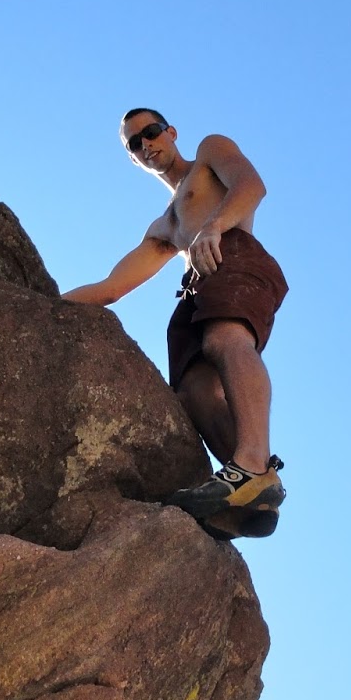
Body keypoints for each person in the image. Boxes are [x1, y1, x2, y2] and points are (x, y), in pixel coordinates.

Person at [63, 108, 288, 525]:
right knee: (193, 392)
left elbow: (251, 185)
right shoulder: (164, 226)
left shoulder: (208, 153)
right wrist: (45, 302)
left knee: (224, 341)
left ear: (171, 132)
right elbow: (112, 287)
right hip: (194, 288)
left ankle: (253, 462)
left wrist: (215, 226)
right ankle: (251, 489)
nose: (146, 144)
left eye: (150, 132)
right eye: (135, 143)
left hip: (231, 252)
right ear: (133, 158)